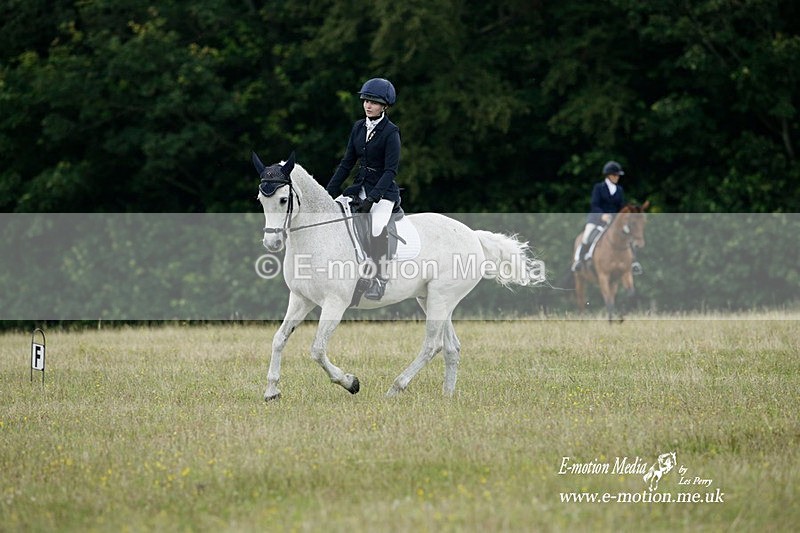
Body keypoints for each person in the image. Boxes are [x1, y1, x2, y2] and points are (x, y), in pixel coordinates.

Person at [326, 78, 401, 300]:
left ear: (384, 106)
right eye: (366, 100)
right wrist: (328, 192)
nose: (368, 105)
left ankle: (379, 278)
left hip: (384, 192)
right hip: (359, 187)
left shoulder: (391, 132)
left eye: (374, 102)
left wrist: (374, 198)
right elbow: (346, 163)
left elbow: (390, 171)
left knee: (376, 227)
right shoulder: (358, 127)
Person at [571, 161, 626, 272]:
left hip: (613, 222)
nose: (617, 177)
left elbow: (621, 207)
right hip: (597, 219)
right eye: (615, 175)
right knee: (587, 236)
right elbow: (594, 205)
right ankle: (578, 260)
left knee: (628, 235)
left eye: (618, 175)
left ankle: (633, 262)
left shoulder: (619, 190)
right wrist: (602, 216)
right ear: (609, 175)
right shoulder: (599, 188)